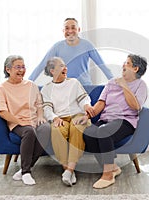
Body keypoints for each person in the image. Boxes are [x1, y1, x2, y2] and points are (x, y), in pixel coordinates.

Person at [82, 54, 148, 189]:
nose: (123, 65)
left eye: (127, 63)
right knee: (88, 133)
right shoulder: (111, 82)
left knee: (104, 131)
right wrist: (88, 115)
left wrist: (124, 86)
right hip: (106, 119)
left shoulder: (140, 85)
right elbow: (101, 103)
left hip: (125, 121)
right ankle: (113, 167)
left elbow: (135, 106)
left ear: (135, 69)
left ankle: (108, 175)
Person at [0, 55, 51, 185]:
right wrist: (20, 122)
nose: (21, 70)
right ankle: (26, 172)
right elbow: (2, 111)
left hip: (34, 120)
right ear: (8, 69)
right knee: (29, 131)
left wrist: (41, 116)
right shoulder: (2, 88)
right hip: (18, 123)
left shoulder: (31, 85)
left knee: (47, 128)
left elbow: (39, 104)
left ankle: (25, 169)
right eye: (18, 67)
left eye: (23, 67)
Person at [41, 57, 94, 186]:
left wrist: (87, 106)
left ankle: (70, 170)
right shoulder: (46, 89)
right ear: (52, 70)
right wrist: (54, 118)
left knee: (77, 128)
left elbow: (83, 98)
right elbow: (47, 108)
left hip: (78, 115)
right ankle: (67, 169)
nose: (65, 68)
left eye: (65, 65)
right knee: (57, 130)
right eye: (61, 66)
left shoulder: (74, 83)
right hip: (60, 118)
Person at [29, 17, 113, 85]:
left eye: (73, 28)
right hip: (64, 86)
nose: (70, 31)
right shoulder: (57, 46)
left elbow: (101, 65)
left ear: (78, 30)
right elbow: (42, 64)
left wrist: (114, 82)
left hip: (84, 86)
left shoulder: (87, 45)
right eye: (67, 28)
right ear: (63, 31)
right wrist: (29, 81)